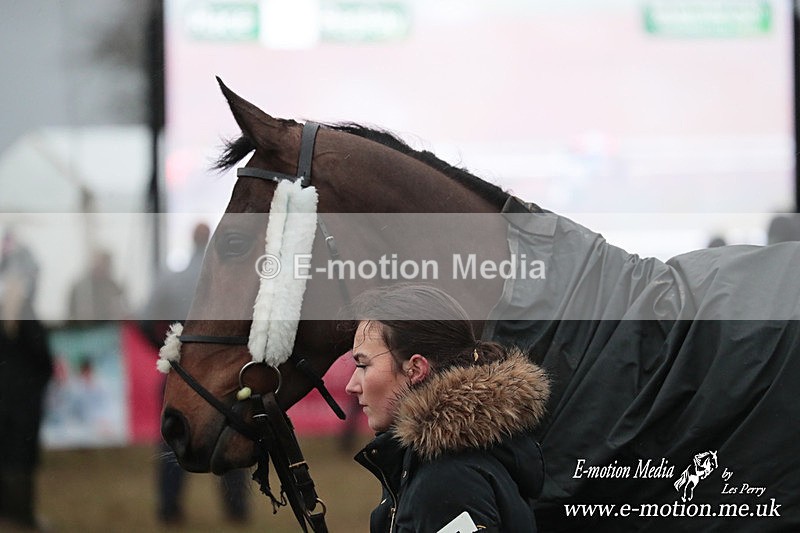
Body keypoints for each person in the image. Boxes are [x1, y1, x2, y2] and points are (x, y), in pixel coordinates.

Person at [345, 284, 550, 532]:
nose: (351, 386)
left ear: (415, 369)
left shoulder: (446, 480)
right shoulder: (434, 463)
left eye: (363, 365)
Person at [139, 222, 249, 525]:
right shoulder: (228, 278)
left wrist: (168, 352)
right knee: (231, 432)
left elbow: (145, 321)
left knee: (176, 436)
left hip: (181, 371)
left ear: (191, 239)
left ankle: (169, 508)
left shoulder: (171, 278)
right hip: (223, 371)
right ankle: (236, 508)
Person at [0, 230, 53, 530]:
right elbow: (41, 356)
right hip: (22, 401)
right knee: (21, 457)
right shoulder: (24, 311)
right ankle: (21, 516)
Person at [68, 249, 128, 322]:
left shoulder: (113, 286)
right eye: (100, 264)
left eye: (106, 265)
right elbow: (71, 313)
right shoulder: (80, 289)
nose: (103, 268)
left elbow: (121, 307)